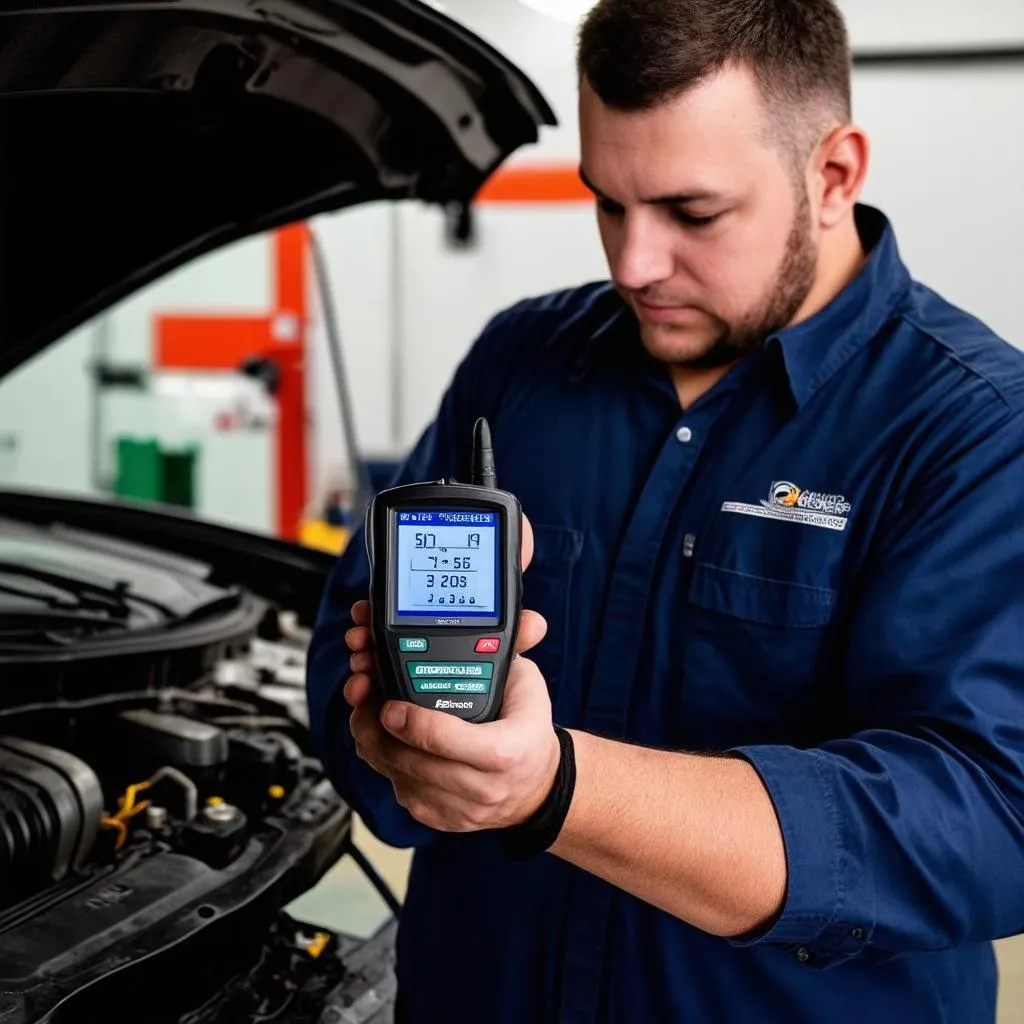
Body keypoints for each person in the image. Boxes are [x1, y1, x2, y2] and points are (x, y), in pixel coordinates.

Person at [306, 0, 1024, 1020]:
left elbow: (987, 812)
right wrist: (402, 744)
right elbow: (350, 641)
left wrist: (554, 787)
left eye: (691, 213)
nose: (634, 264)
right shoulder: (520, 364)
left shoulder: (976, 431)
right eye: (608, 202)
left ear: (833, 174)